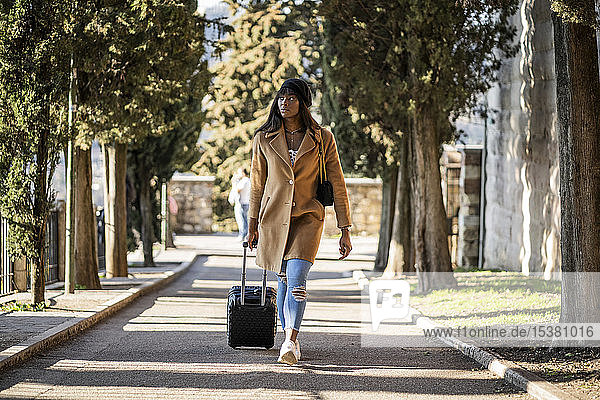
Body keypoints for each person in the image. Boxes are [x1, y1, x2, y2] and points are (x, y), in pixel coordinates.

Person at [247, 78, 352, 365]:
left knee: (296, 281)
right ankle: (287, 336)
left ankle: (291, 341)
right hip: (273, 219)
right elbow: (256, 185)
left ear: (304, 103)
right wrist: (251, 224)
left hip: (308, 217)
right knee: (282, 279)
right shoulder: (263, 137)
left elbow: (338, 183)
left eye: (292, 98)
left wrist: (345, 229)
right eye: (281, 97)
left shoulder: (322, 138)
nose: (285, 102)